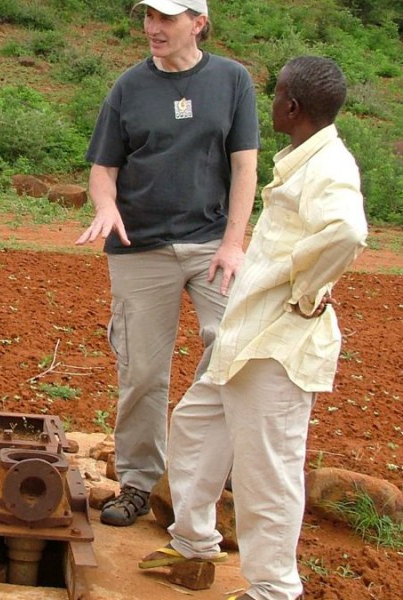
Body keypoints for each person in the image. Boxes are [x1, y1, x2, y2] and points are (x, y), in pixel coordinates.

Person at [139, 56, 368, 600]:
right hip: (248, 337)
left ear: (291, 106)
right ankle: (193, 544)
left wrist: (300, 284)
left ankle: (274, 589)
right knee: (195, 429)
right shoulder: (303, 158)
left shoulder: (329, 166)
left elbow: (347, 232)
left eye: (277, 94)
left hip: (277, 346)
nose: (271, 103)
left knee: (268, 470)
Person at [75, 0, 259, 526]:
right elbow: (103, 169)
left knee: (231, 348)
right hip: (140, 247)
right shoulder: (128, 88)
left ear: (197, 23)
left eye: (166, 18)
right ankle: (137, 482)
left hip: (210, 243)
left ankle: (202, 468)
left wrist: (233, 241)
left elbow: (244, 166)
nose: (153, 28)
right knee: (143, 372)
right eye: (148, 18)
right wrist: (106, 206)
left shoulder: (231, 80)